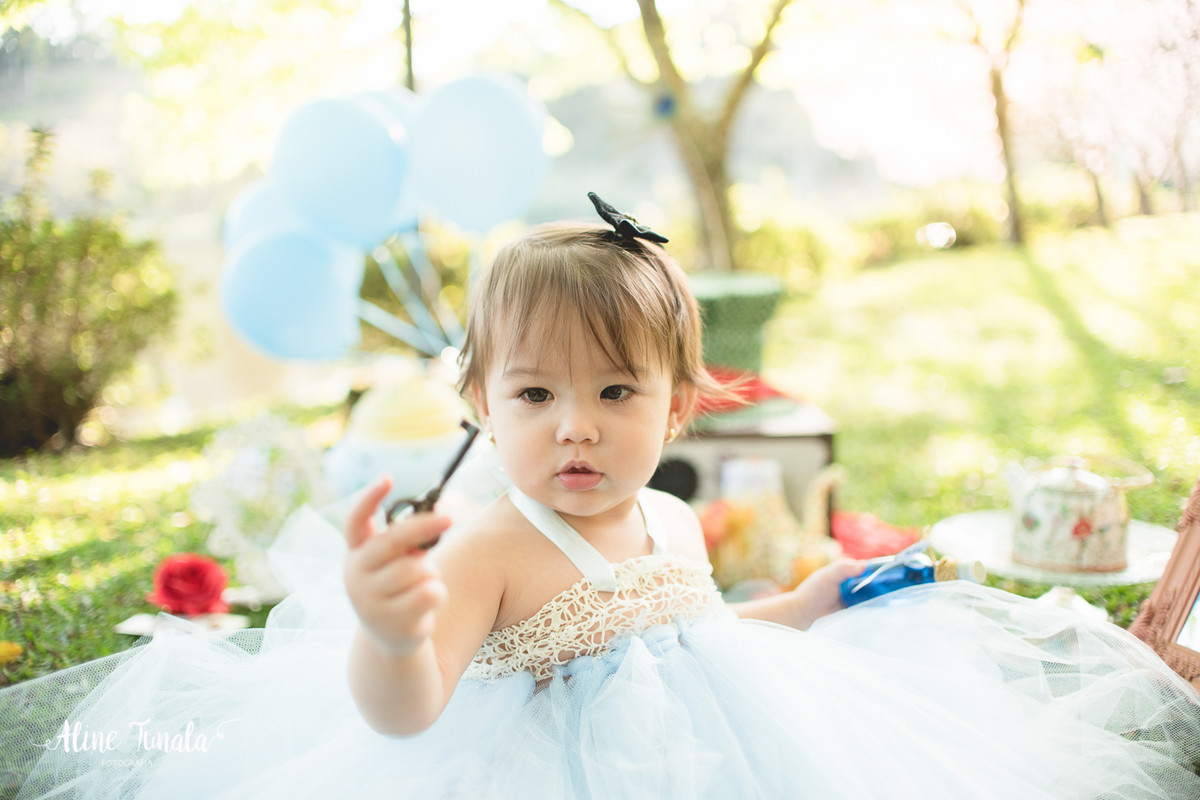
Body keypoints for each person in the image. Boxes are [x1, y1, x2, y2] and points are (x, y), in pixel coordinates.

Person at [3, 194, 1200, 799]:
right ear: (481, 399)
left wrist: (810, 600)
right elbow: (406, 712)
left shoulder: (666, 515)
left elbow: (696, 631)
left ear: (678, 407)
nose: (575, 422)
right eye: (533, 394)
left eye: (615, 389)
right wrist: (387, 629)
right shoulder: (488, 548)